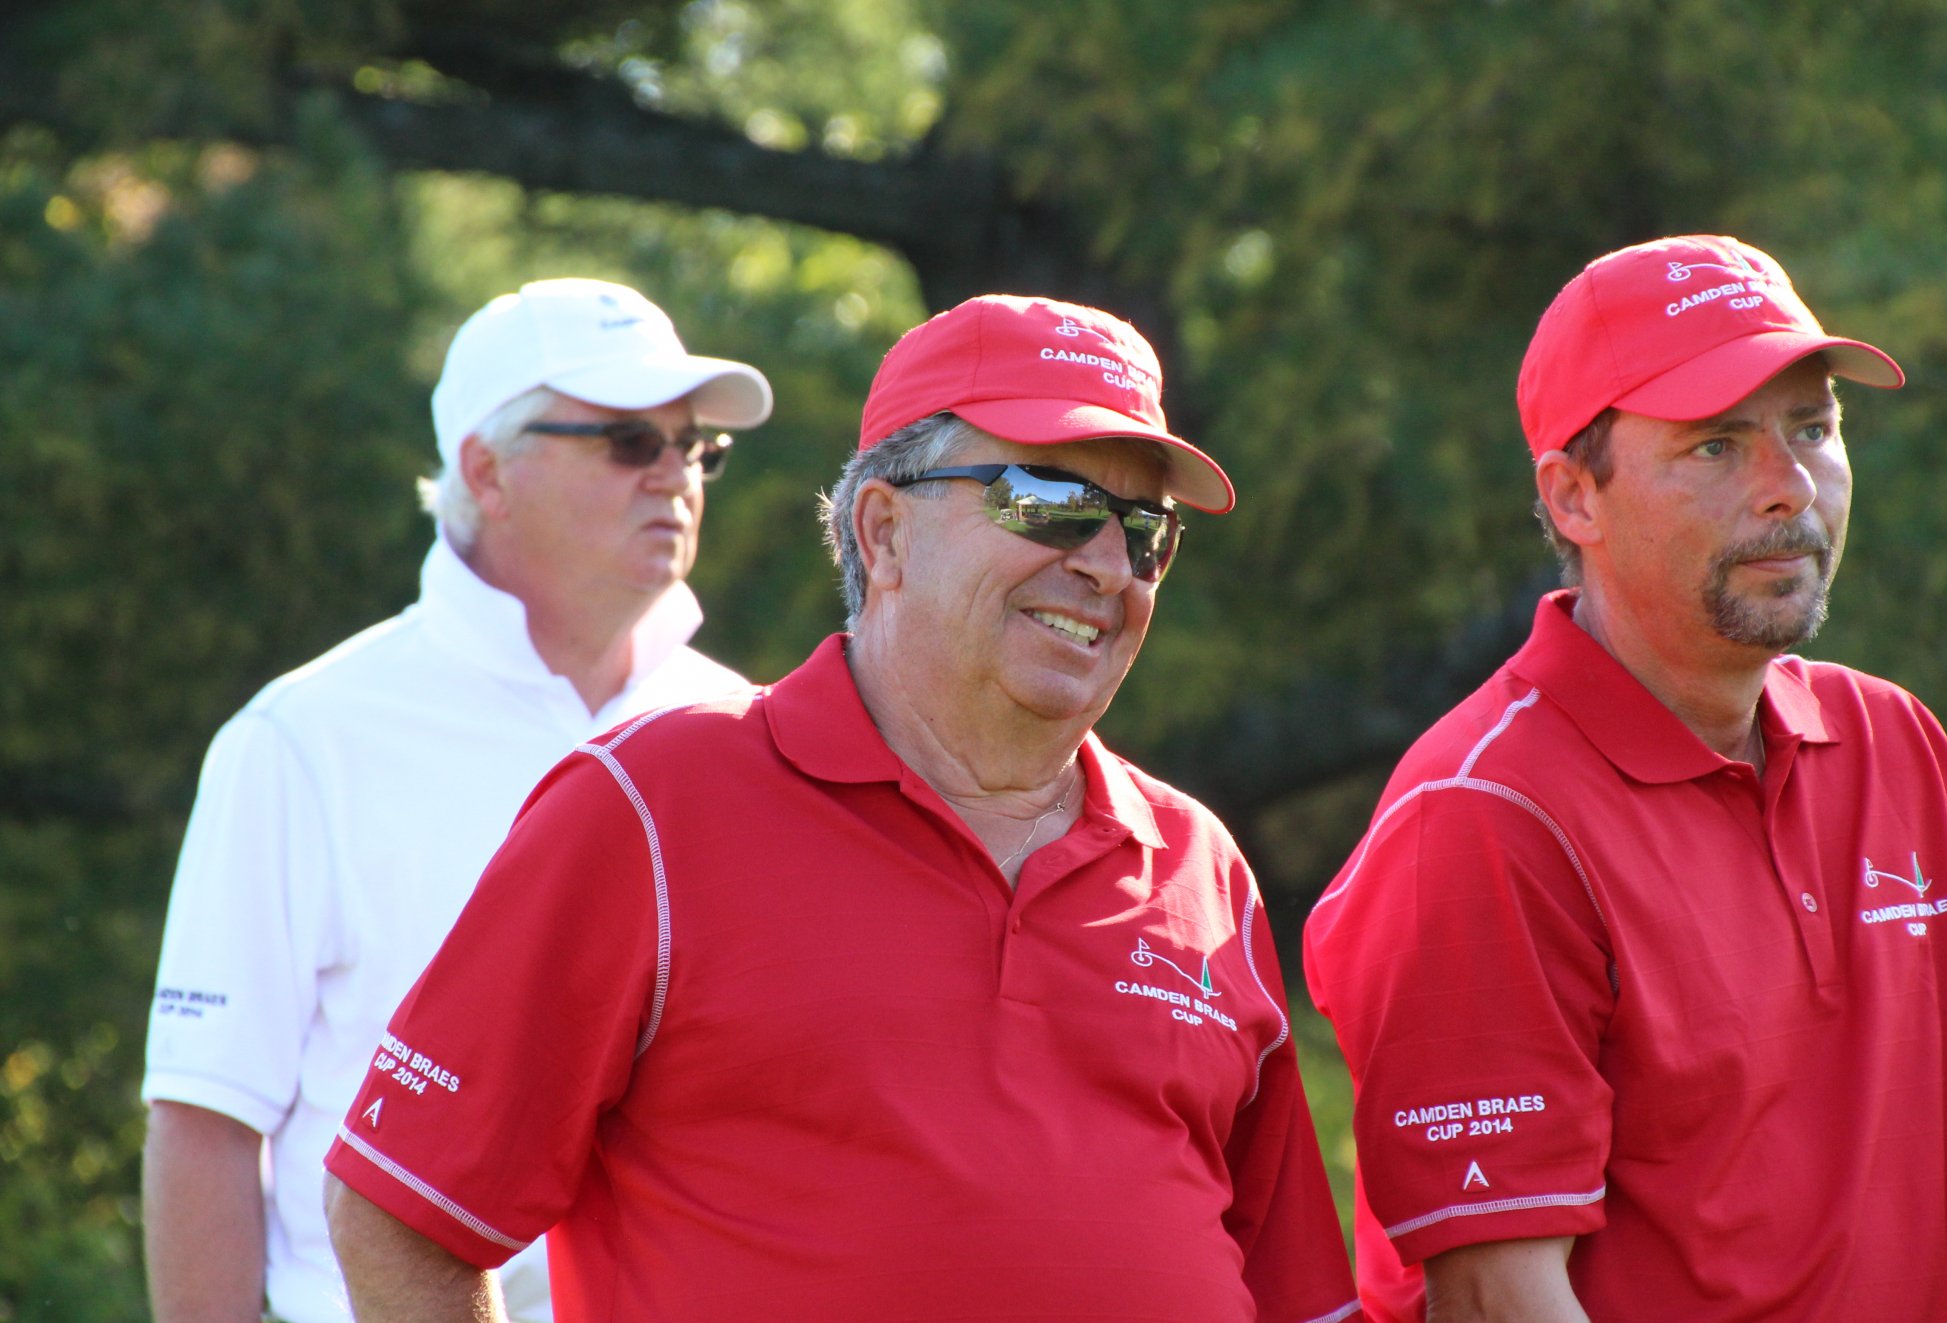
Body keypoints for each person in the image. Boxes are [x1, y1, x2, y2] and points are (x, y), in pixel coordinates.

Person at [319, 294, 1361, 1323]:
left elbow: (1296, 1296)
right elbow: (398, 1211)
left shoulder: (1197, 864)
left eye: (1146, 530)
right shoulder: (651, 808)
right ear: (884, 531)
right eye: (1049, 500)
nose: (1106, 564)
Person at [1303, 235, 1947, 1323]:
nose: (1789, 487)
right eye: (1717, 445)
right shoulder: (1482, 817)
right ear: (1574, 497)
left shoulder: (1893, 747)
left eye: (1812, 428)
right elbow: (1496, 1298)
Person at [140, 278, 771, 1323]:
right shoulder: (303, 737)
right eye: (628, 442)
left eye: (694, 445)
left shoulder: (741, 729)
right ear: (486, 470)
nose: (675, 475)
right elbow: (206, 1117)